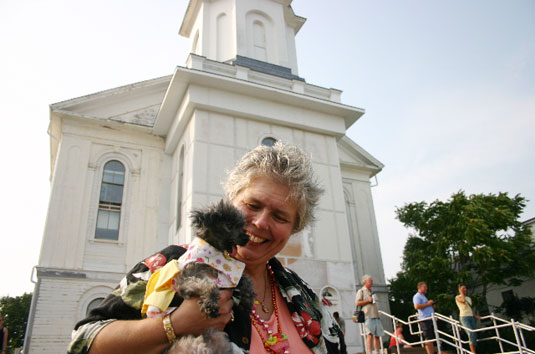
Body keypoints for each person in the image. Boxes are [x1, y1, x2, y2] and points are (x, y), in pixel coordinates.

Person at [68, 142, 344, 354]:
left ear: (294, 227)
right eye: (253, 205)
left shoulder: (302, 296)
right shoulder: (172, 265)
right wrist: (174, 326)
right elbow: (83, 341)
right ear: (231, 200)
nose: (260, 223)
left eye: (280, 216)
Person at [356, 275, 384, 354]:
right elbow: (357, 302)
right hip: (368, 315)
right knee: (370, 334)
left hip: (376, 315)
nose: (372, 282)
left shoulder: (372, 291)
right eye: (370, 281)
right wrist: (368, 300)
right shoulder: (361, 291)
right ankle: (369, 352)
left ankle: (377, 351)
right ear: (365, 282)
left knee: (377, 335)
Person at [455, 284, 480, 354]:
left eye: (465, 288)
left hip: (471, 316)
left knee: (474, 333)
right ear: (459, 289)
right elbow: (463, 300)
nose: (465, 290)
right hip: (464, 317)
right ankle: (473, 352)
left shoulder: (469, 298)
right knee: (471, 333)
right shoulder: (457, 297)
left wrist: (475, 315)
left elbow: (469, 308)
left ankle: (474, 350)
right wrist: (461, 293)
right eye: (463, 288)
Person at [412, 282, 435, 354]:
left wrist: (431, 306)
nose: (426, 288)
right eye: (424, 287)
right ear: (420, 288)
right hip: (424, 319)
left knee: (431, 338)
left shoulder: (423, 296)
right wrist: (428, 304)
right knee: (428, 338)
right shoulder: (417, 296)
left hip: (429, 319)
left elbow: (425, 305)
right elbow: (416, 306)